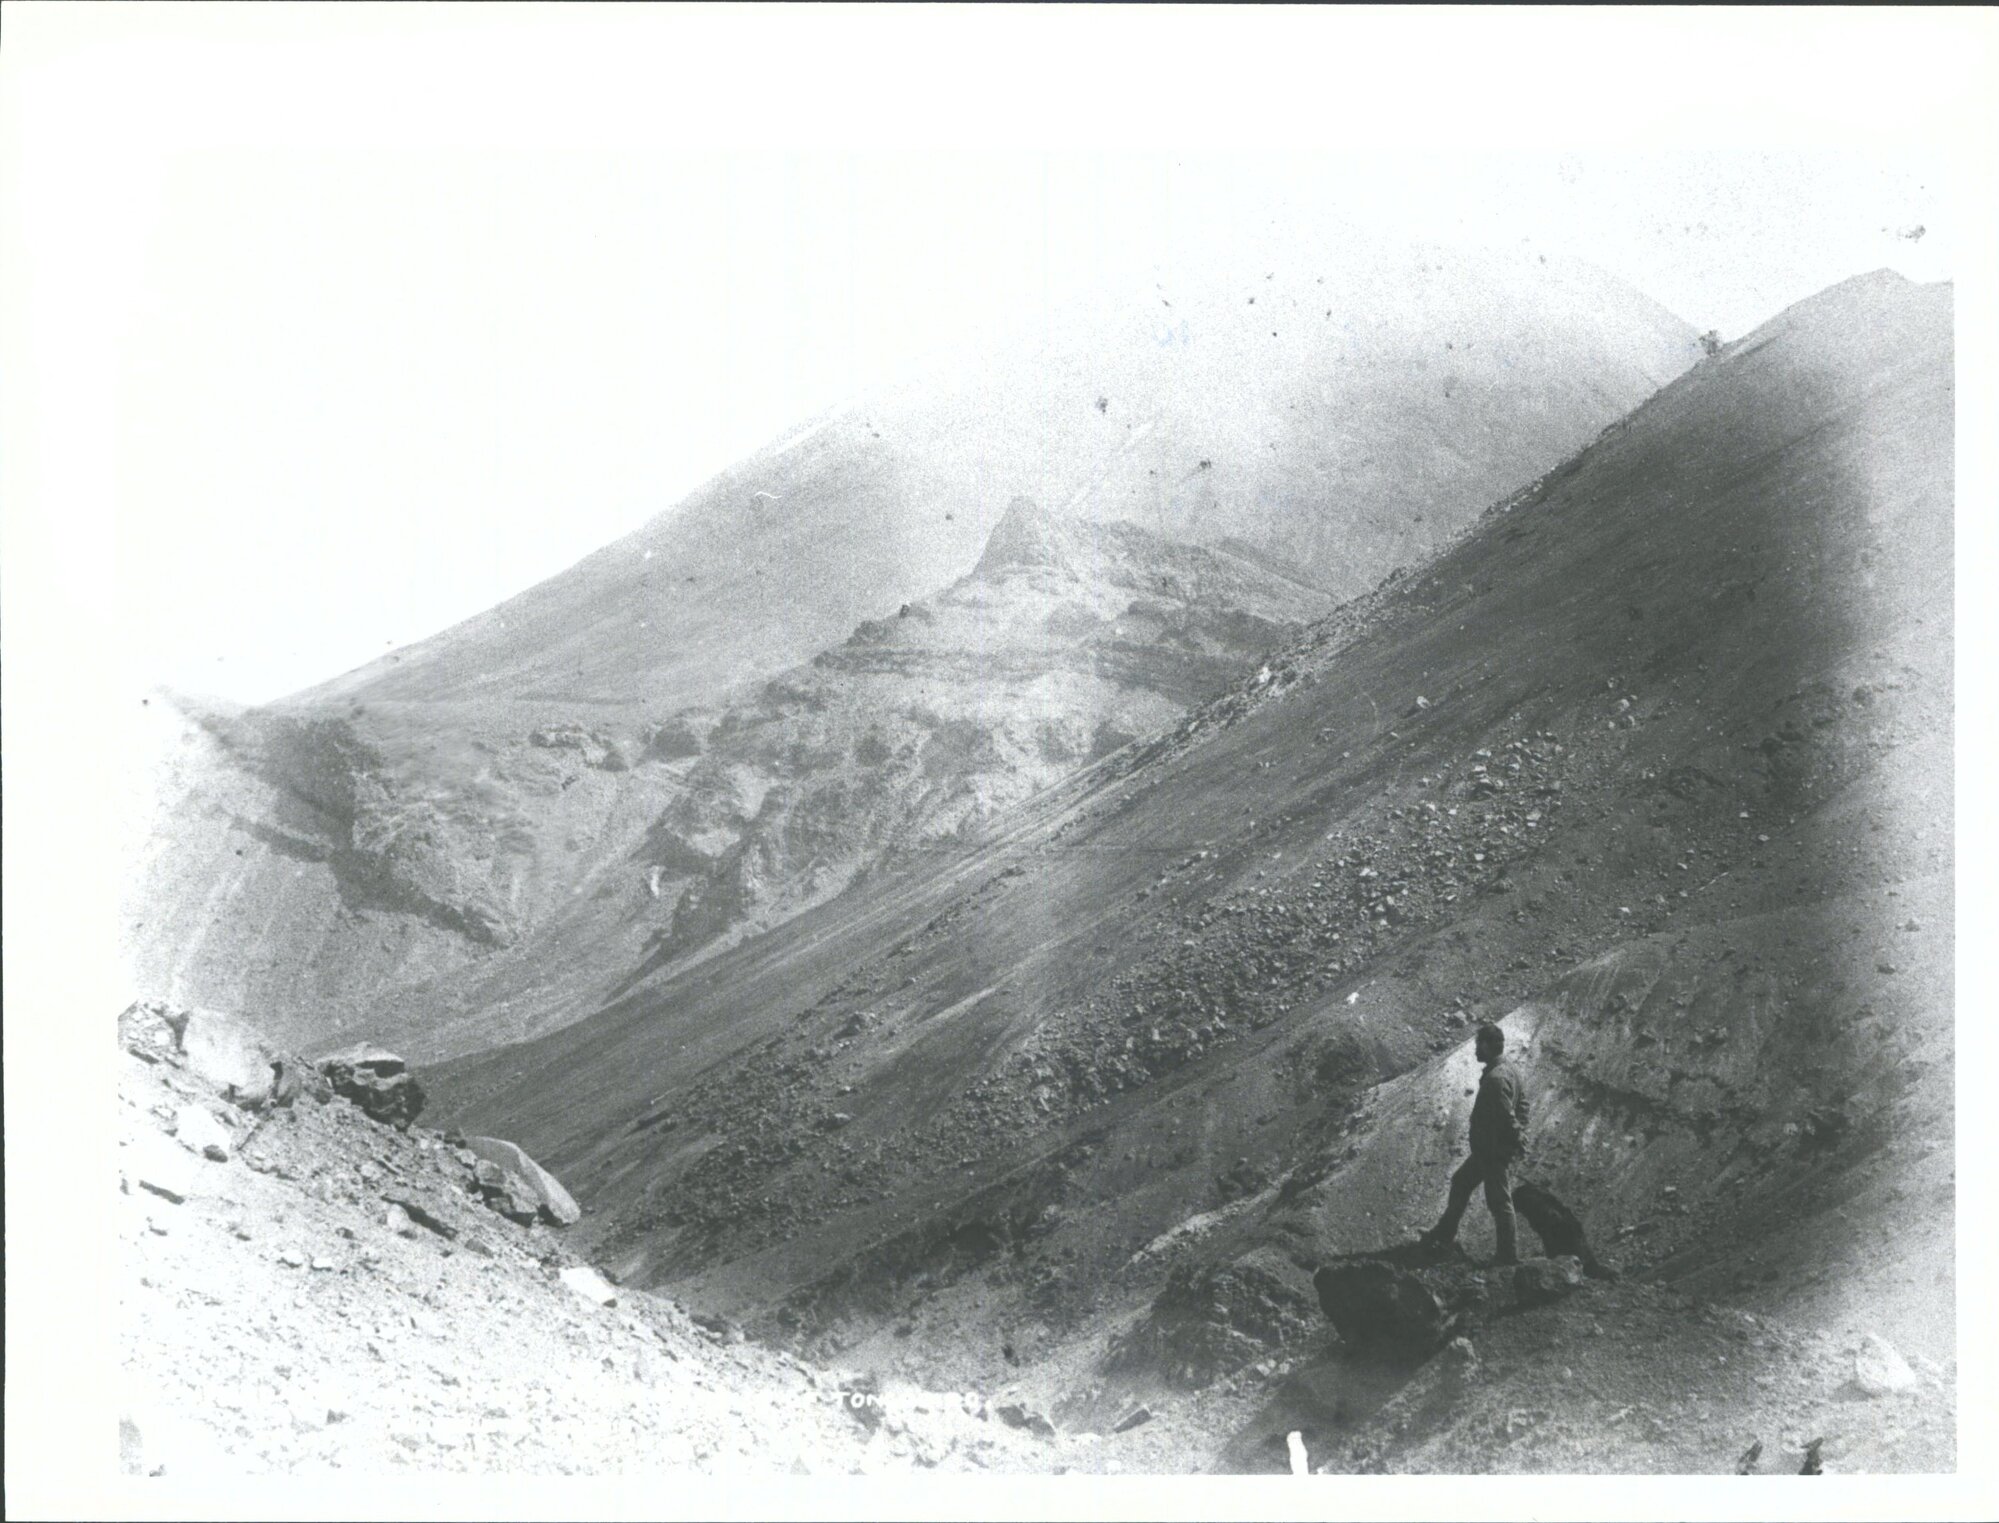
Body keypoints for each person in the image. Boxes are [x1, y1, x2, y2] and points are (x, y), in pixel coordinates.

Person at [1419, 1022, 1529, 1265]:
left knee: (1499, 1202)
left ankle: (1507, 1256)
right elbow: (1522, 1108)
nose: (1475, 1051)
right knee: (1461, 1182)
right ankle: (1444, 1234)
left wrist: (1514, 1138)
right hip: (1489, 1150)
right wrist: (1519, 1133)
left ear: (1489, 1046)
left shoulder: (1496, 1079)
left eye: (1478, 1045)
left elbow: (1505, 1115)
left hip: (1492, 1151)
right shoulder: (1510, 1071)